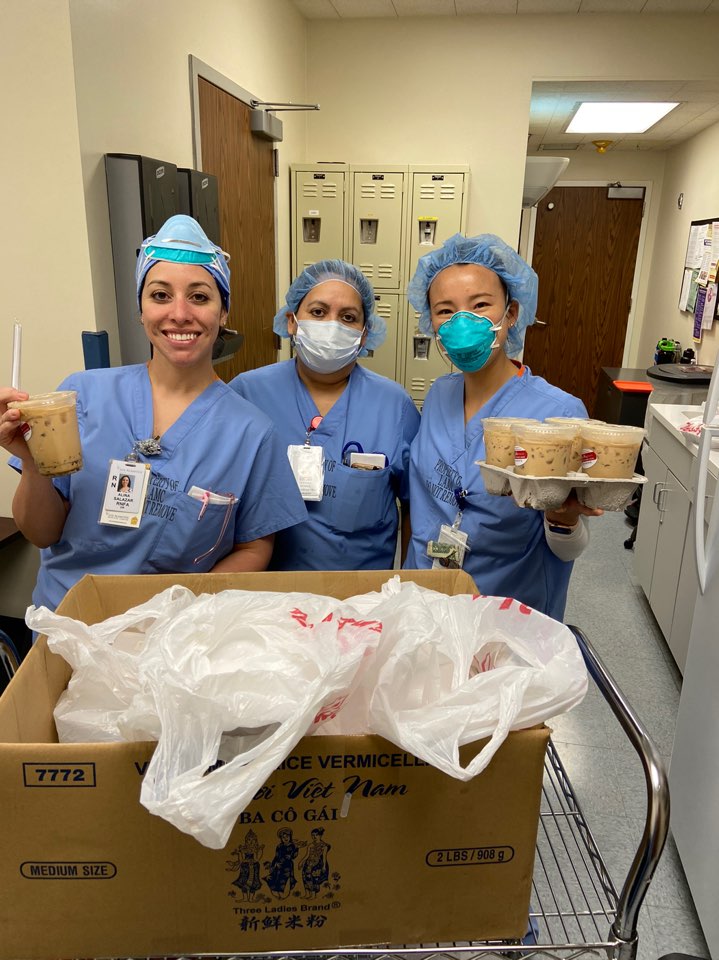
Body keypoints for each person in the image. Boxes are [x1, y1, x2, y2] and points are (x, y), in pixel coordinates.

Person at [0, 215, 307, 612]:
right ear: (141, 309)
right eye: (160, 295)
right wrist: (31, 463)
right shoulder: (81, 395)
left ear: (223, 312)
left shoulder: (252, 433)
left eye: (199, 297)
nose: (179, 313)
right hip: (69, 622)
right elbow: (41, 534)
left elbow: (254, 547)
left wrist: (182, 612)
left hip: (175, 633)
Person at [405, 233, 601, 620]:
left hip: (504, 615)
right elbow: (422, 505)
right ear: (431, 322)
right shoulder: (439, 394)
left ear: (510, 313)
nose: (462, 322)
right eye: (445, 310)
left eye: (480, 305)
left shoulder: (559, 413)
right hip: (425, 603)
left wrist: (563, 518)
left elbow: (569, 550)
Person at [230, 260, 420, 570]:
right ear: (292, 322)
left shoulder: (394, 406)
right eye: (318, 312)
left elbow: (415, 505)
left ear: (364, 335)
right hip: (266, 590)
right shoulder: (248, 393)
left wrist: (410, 585)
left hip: (362, 593)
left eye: (348, 318)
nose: (332, 327)